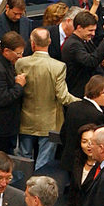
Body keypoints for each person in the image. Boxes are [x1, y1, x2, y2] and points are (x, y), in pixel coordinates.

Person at [17, 28, 76, 170]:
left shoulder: (20, 63)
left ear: (32, 44)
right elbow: (63, 96)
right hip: (50, 122)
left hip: (25, 119)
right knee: (44, 161)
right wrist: (83, 102)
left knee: (22, 158)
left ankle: (18, 188)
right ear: (49, 42)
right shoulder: (58, 66)